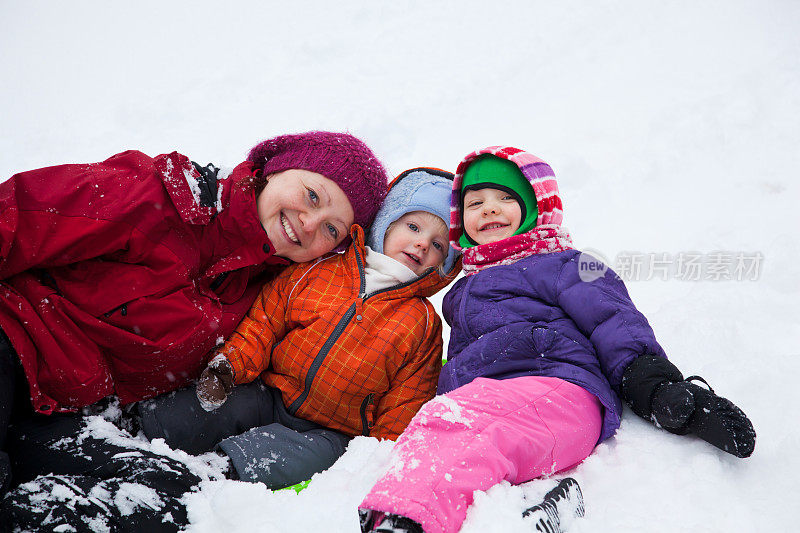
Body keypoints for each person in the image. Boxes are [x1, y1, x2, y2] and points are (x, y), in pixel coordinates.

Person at [0, 167, 460, 532]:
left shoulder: (421, 325)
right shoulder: (315, 274)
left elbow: (407, 401)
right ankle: (138, 430)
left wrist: (378, 455)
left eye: (438, 243)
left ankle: (220, 471)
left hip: (330, 427)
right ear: (382, 227)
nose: (421, 243)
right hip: (265, 388)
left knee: (297, 452)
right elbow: (265, 324)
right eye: (413, 225)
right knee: (213, 407)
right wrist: (231, 366)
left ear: (447, 264)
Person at [358, 147, 756, 533]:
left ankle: (402, 521)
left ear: (538, 206)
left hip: (559, 393)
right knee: (459, 431)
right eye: (475, 203)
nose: (489, 208)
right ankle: (528, 512)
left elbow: (613, 321)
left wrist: (657, 388)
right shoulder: (463, 292)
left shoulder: (567, 264)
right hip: (504, 410)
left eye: (506, 197)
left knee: (454, 423)